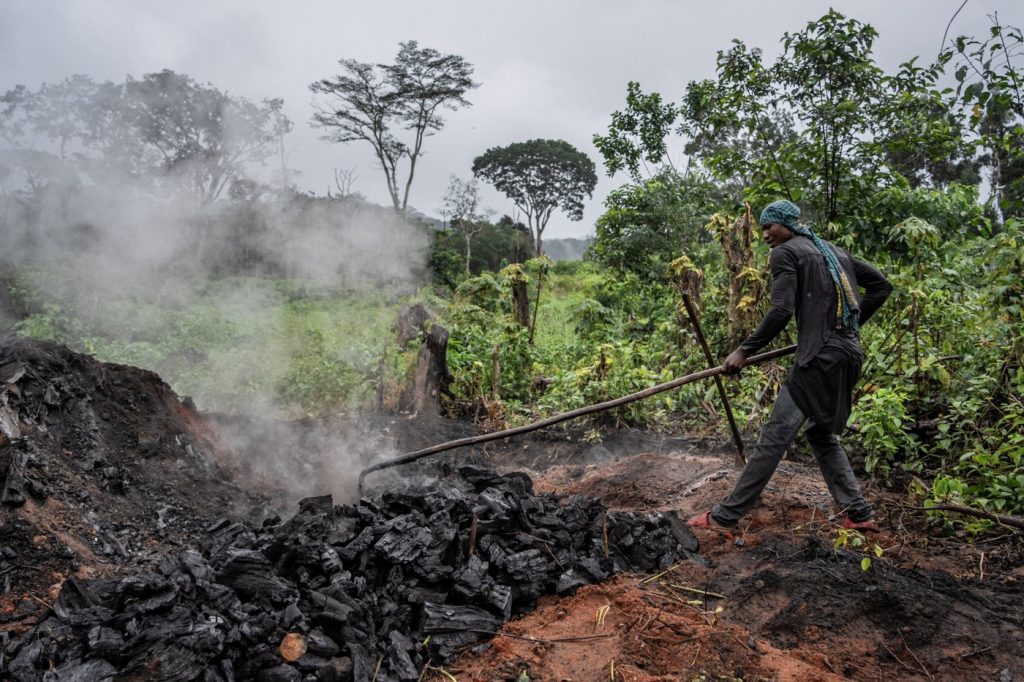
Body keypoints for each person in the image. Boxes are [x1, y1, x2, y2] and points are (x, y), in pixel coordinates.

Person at [689, 199, 893, 533]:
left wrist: (744, 350)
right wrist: (844, 325)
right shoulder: (834, 251)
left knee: (775, 436)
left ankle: (725, 518)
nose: (765, 234)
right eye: (763, 228)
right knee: (821, 434)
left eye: (769, 226)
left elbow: (781, 309)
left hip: (820, 359)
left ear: (787, 225)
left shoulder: (786, 253)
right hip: (848, 355)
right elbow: (882, 287)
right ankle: (859, 514)